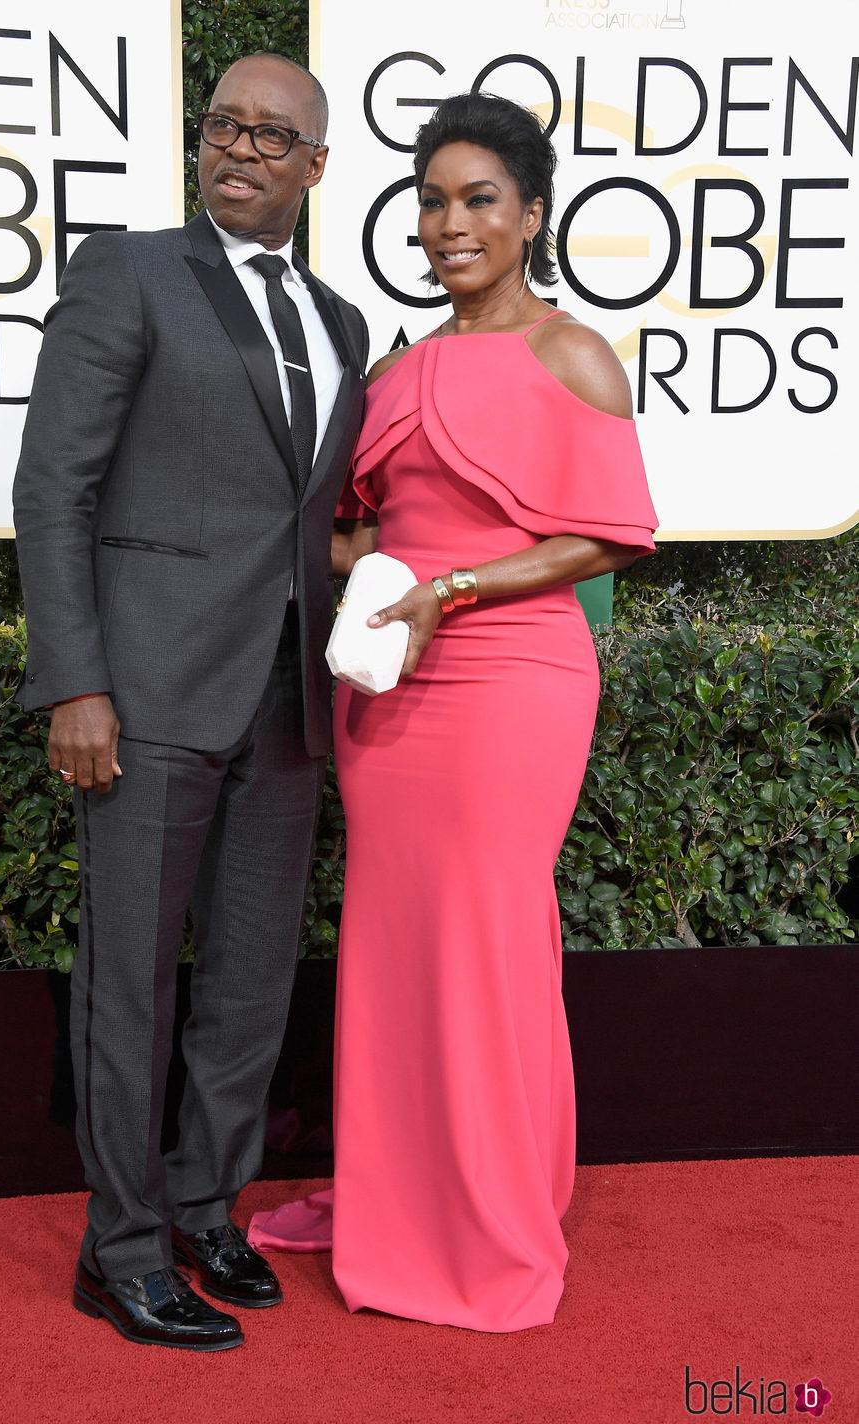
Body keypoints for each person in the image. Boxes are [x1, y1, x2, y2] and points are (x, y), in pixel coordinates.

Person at [251, 92, 657, 1332]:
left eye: (478, 198)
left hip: (511, 681)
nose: (449, 222)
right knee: (393, 941)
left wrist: (454, 585)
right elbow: (365, 517)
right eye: (432, 199)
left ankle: (484, 1217)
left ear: (531, 214)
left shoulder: (573, 355)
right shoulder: (394, 369)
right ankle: (396, 1190)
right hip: (393, 681)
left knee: (484, 939)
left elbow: (607, 535)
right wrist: (356, 565)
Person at [12, 53, 368, 1352]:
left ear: (317, 167)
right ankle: (119, 1250)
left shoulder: (341, 324)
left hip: (287, 700)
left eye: (276, 136)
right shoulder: (128, 272)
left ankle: (206, 1208)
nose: (243, 149)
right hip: (145, 693)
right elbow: (56, 488)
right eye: (225, 125)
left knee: (252, 986)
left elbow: (308, 517)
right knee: (131, 987)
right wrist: (77, 681)